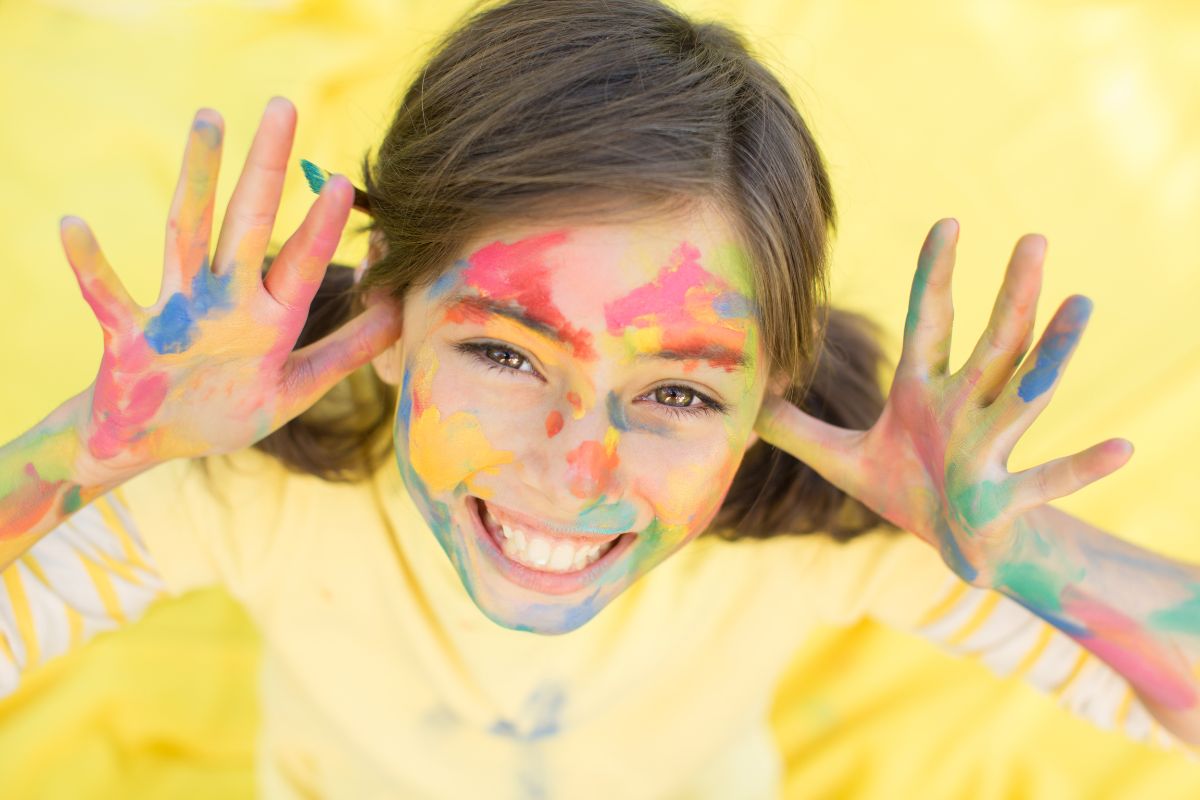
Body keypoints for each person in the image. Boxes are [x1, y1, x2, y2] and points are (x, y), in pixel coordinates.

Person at [2, 0, 1197, 796]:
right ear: (382, 317)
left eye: (678, 387)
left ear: (769, 389)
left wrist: (1031, 551)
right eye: (510, 356)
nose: (581, 467)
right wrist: (87, 449)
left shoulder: (818, 534)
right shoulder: (243, 495)